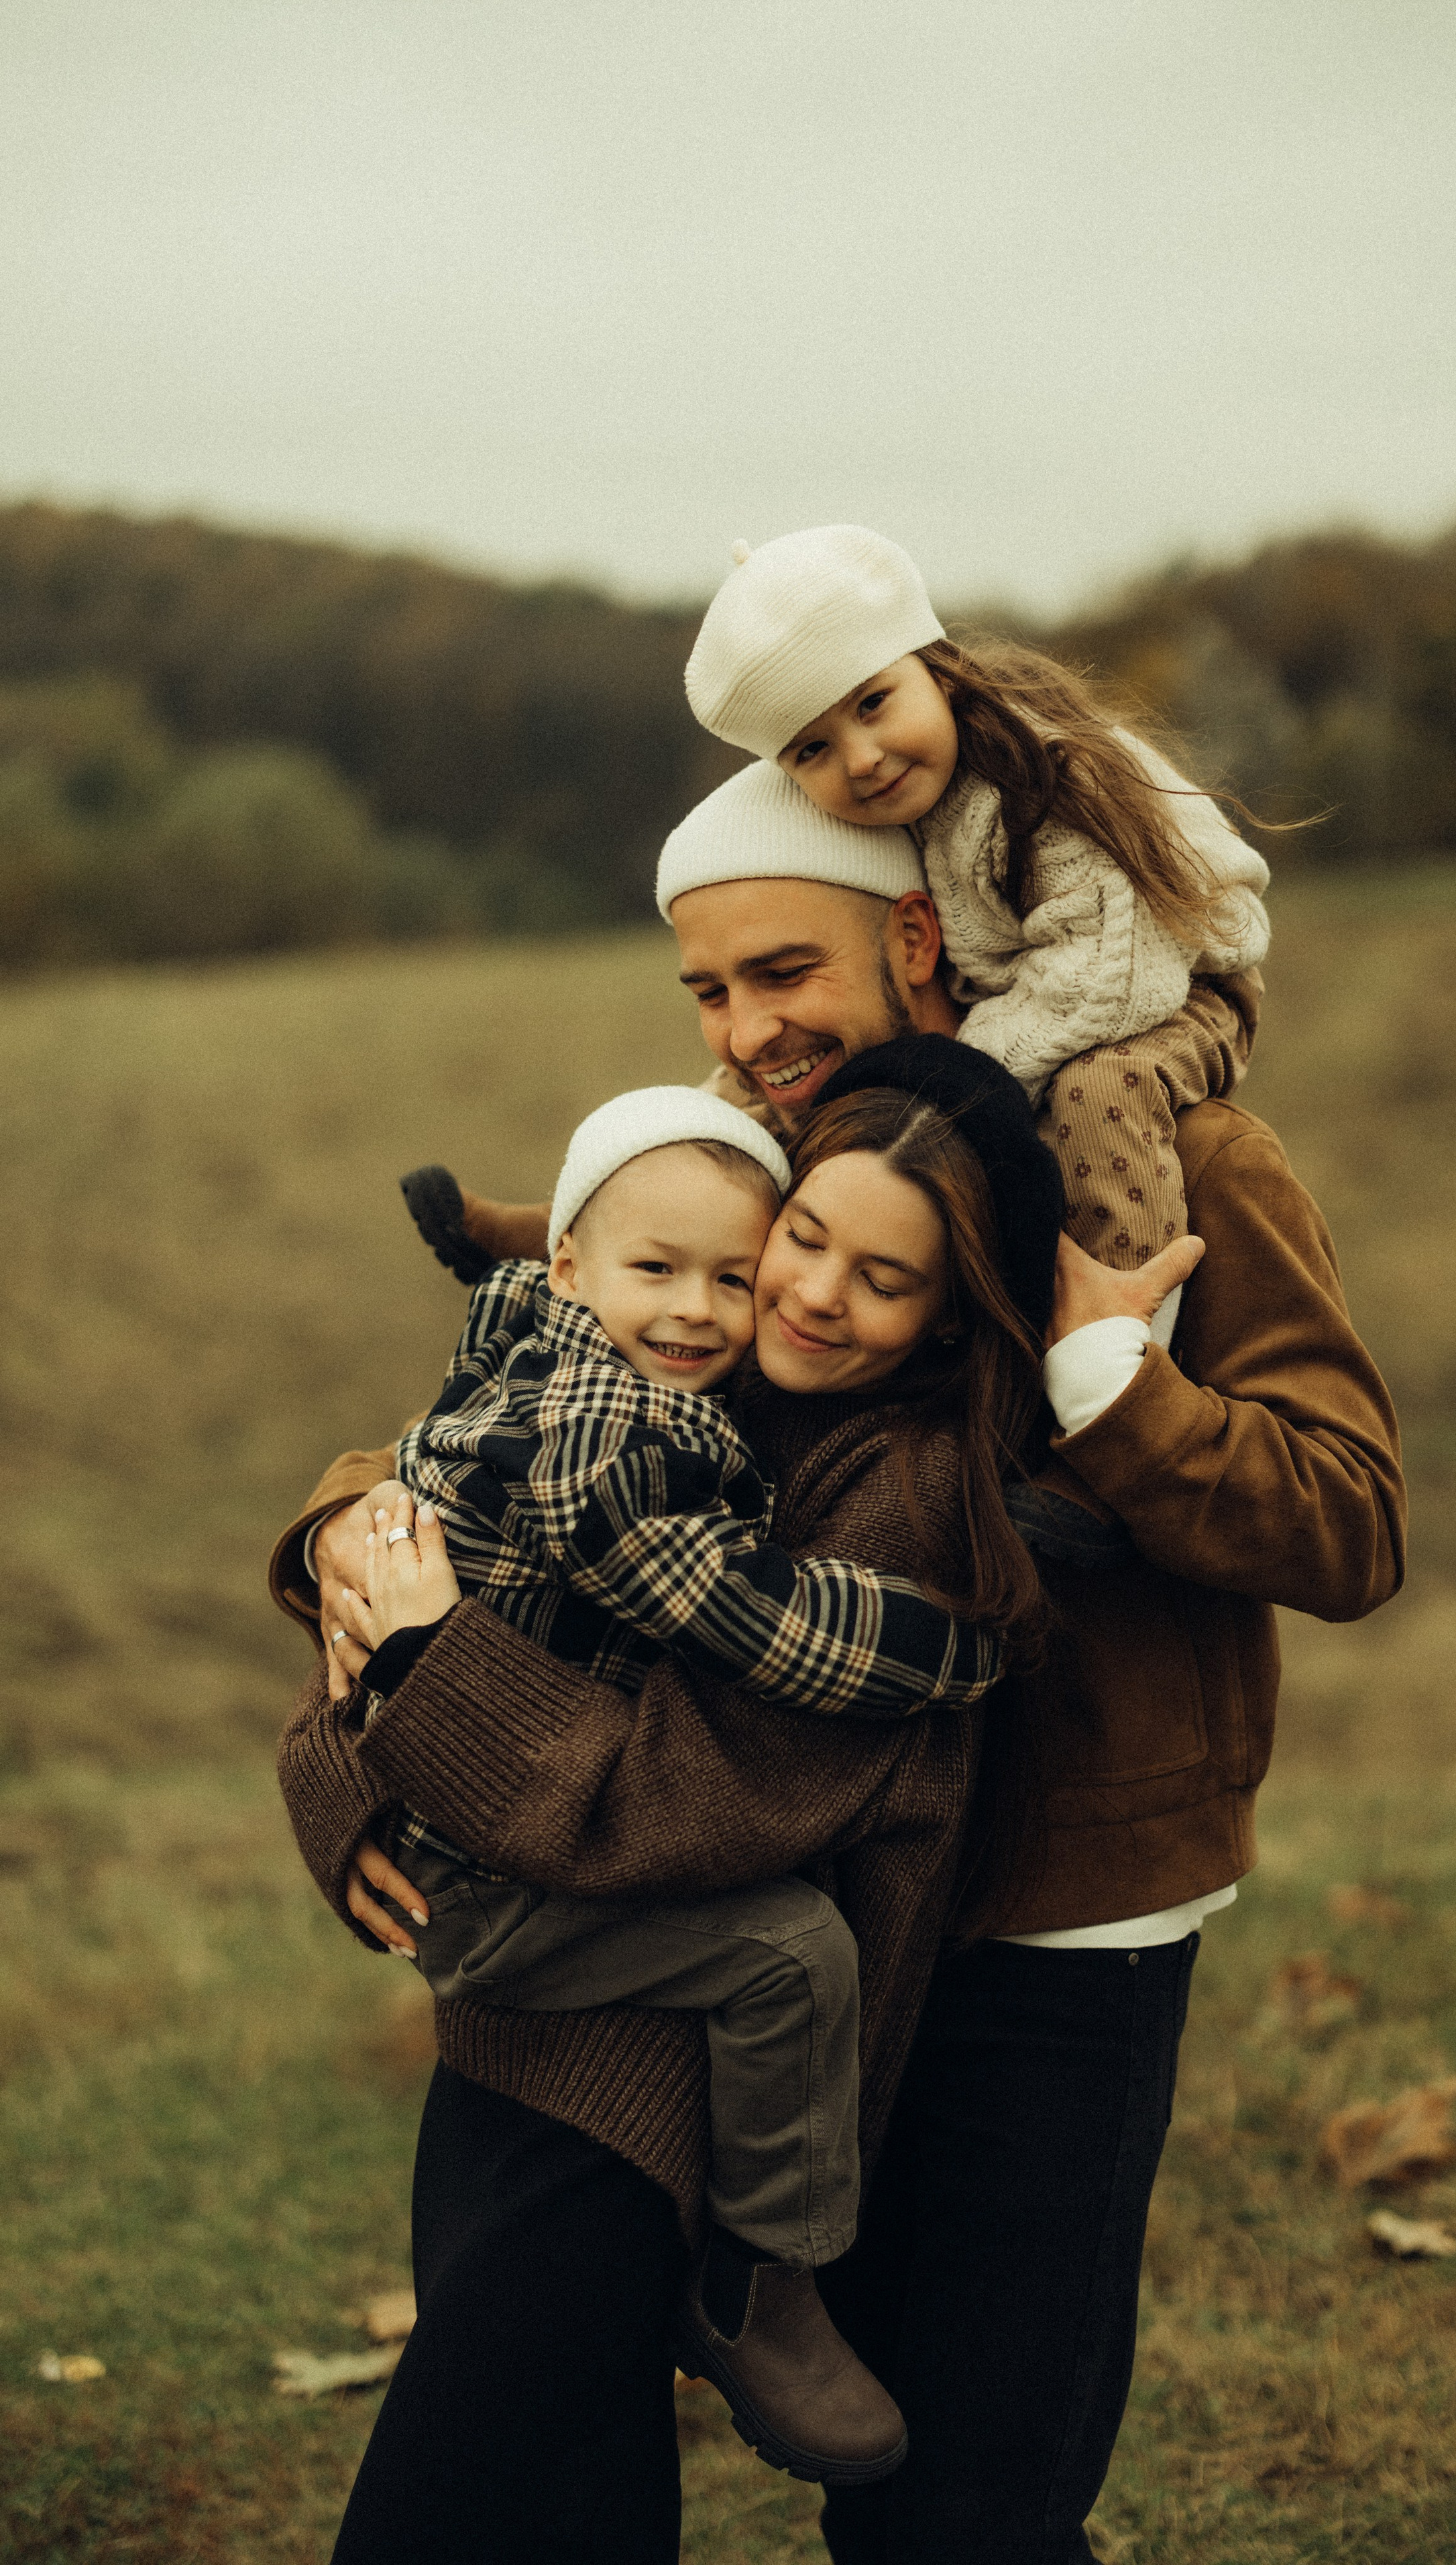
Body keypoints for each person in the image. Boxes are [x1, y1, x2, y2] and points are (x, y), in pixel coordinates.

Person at [274, 1029, 1083, 2562]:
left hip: (637, 2091)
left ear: (948, 1317)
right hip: (511, 2033)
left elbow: (684, 1798)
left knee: (459, 2500)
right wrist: (337, 1746)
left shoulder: (891, 1490)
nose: (792, 1293)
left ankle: (761, 2287)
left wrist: (424, 1668)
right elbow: (419, 1536)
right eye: (802, 1236)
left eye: (884, 1278)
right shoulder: (660, 1374)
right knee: (572, 2497)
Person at [682, 521, 1272, 1274]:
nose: (862, 759)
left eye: (872, 704)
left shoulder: (1041, 778)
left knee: (1098, 1097)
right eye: (813, 750)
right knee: (787, 1078)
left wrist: (953, 1089)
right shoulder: (901, 808)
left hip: (1175, 984)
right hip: (1016, 997)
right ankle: (605, 1208)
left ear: (937, 669)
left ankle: (1122, 1321)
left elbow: (1105, 973)